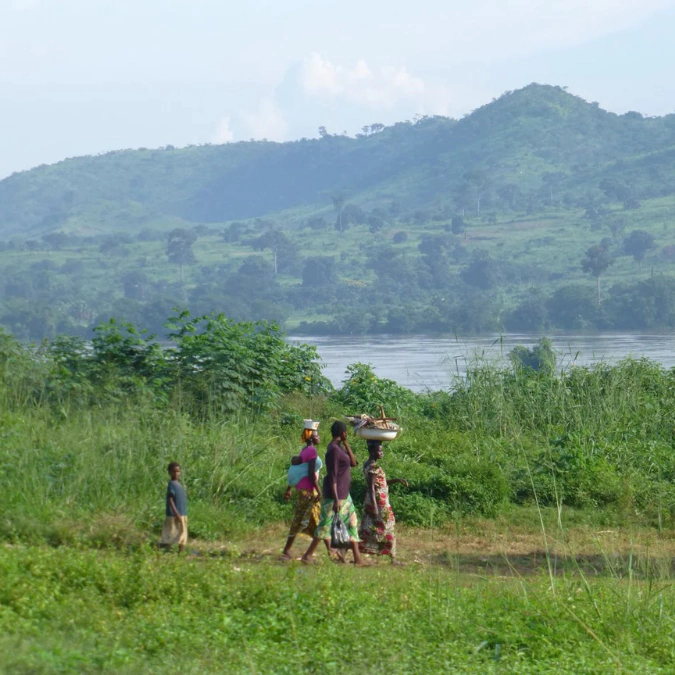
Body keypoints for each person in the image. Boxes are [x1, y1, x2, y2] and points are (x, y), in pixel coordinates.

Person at [301, 420, 366, 565]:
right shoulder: (333, 450)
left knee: (353, 523)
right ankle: (307, 555)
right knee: (325, 525)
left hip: (344, 494)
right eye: (346, 433)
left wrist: (346, 444)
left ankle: (358, 559)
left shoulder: (340, 447)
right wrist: (336, 499)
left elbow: (354, 463)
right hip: (335, 495)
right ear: (343, 433)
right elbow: (333, 476)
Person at [358, 440, 408, 564]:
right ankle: (393, 557)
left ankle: (357, 547)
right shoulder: (373, 467)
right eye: (379, 450)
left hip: (373, 500)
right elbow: (371, 487)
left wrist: (396, 480)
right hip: (379, 502)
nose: (381, 453)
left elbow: (380, 483)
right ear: (372, 451)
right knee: (388, 524)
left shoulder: (368, 464)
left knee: (369, 526)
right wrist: (375, 507)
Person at [280, 425, 324, 560]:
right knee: (317, 520)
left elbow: (298, 471)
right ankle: (296, 552)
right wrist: (319, 490)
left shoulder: (304, 450)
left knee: (308, 519)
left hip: (303, 490)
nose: (319, 437)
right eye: (317, 435)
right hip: (309, 491)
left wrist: (289, 489)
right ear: (311, 437)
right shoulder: (312, 451)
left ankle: (289, 550)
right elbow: (311, 474)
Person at [160, 462, 187, 553]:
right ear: (169, 472)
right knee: (170, 535)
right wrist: (176, 514)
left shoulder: (178, 484)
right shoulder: (171, 484)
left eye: (178, 472)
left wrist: (181, 515)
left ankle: (180, 554)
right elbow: (170, 500)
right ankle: (162, 551)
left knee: (182, 535)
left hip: (182, 514)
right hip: (173, 515)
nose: (176, 474)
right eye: (173, 472)